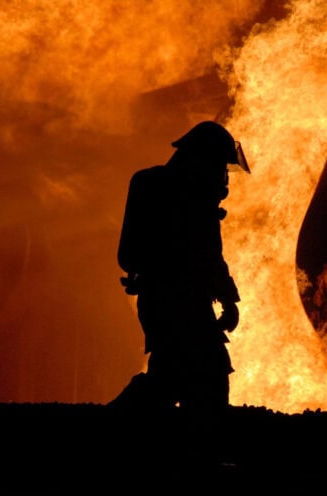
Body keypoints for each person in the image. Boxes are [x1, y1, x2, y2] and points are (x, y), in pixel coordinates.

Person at [112, 120, 250, 420]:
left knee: (174, 372)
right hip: (181, 302)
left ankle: (127, 431)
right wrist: (228, 299)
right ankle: (115, 427)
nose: (223, 176)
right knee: (203, 372)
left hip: (160, 300)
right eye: (219, 166)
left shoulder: (153, 184)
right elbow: (209, 255)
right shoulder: (193, 198)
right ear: (202, 159)